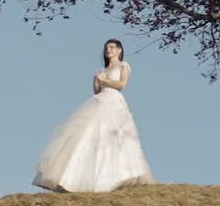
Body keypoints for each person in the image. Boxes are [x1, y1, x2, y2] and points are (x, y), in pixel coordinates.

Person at [33, 38, 155, 192]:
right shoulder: (101, 71)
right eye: (107, 48)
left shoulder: (124, 66)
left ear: (119, 50)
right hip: (100, 101)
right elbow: (97, 91)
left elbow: (122, 84)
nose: (108, 50)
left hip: (115, 102)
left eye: (112, 47)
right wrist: (97, 81)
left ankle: (121, 176)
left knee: (116, 136)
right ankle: (81, 178)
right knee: (91, 135)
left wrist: (104, 80)